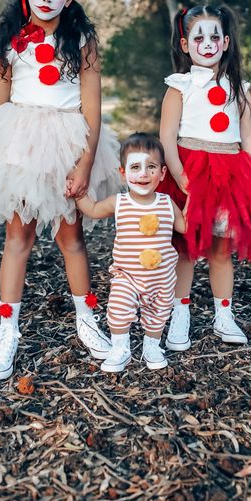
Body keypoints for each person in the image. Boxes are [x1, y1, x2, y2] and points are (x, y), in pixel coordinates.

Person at [0, 0, 121, 380]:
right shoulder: (9, 42)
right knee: (18, 238)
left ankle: (86, 321)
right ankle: (7, 330)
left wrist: (85, 164)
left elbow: (92, 110)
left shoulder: (82, 43)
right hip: (20, 146)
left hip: (69, 145)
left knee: (71, 238)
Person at [159, 4, 251, 351]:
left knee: (221, 250)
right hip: (190, 169)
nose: (207, 43)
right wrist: (178, 174)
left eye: (214, 36)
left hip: (230, 172)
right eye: (198, 37)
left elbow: (248, 135)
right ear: (186, 44)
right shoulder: (179, 86)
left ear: (226, 42)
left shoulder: (240, 87)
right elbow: (166, 136)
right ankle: (180, 314)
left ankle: (223, 314)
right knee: (185, 248)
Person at [76, 133, 185, 373]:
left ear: (163, 174)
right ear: (123, 173)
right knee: (118, 308)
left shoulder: (167, 203)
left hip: (162, 278)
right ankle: (120, 347)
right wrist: (77, 192)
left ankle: (152, 345)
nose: (143, 174)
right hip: (127, 276)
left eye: (151, 167)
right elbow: (92, 209)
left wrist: (199, 201)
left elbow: (184, 226)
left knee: (159, 313)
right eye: (135, 167)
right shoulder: (119, 202)